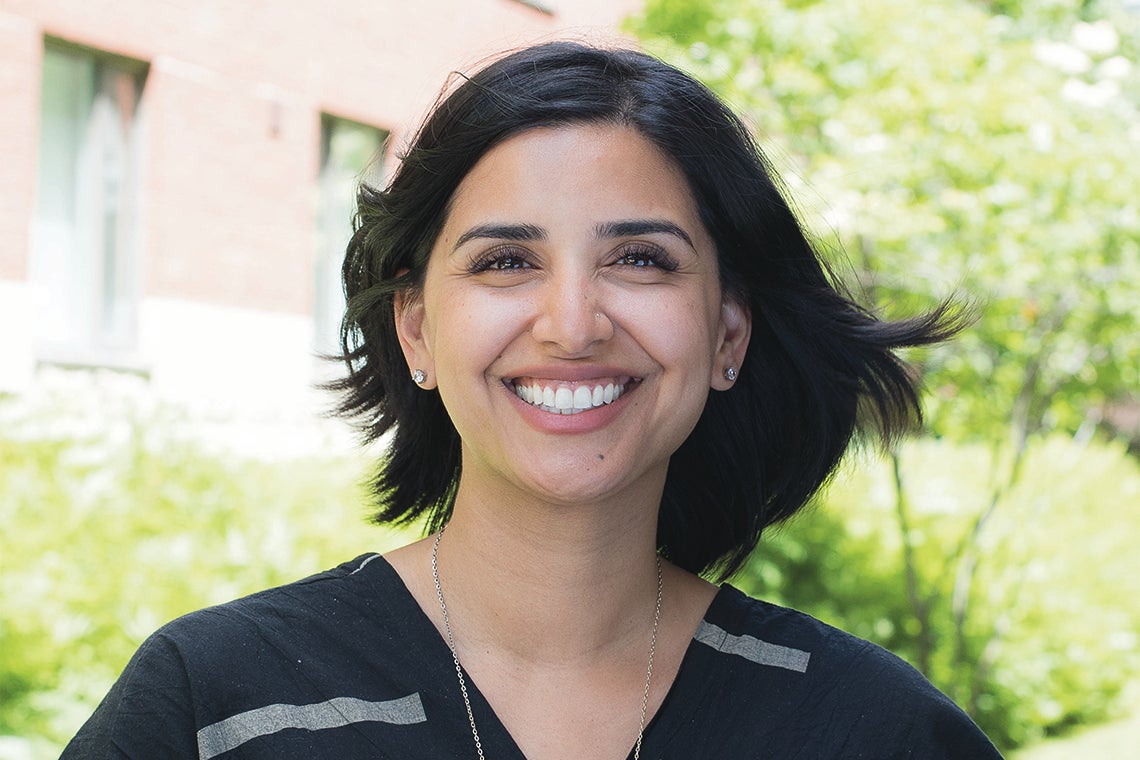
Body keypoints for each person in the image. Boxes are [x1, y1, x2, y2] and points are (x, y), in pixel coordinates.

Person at [62, 41, 1002, 759]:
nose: (573, 323)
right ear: (416, 330)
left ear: (727, 335)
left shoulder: (870, 731)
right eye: (507, 261)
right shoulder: (214, 709)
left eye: (641, 259)